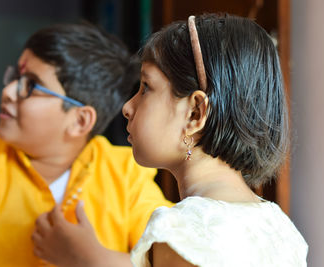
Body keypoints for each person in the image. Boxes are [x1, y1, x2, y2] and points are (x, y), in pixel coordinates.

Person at [0, 23, 172, 267]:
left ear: (79, 121)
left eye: (30, 85)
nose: (8, 91)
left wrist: (90, 260)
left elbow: (175, 260)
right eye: (15, 77)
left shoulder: (125, 174)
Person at [121, 13, 308, 266]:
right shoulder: (281, 228)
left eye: (145, 87)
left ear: (195, 113)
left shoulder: (180, 234)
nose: (128, 107)